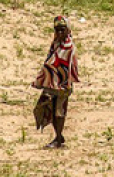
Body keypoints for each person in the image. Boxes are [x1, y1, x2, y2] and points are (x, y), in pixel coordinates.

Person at [33, 15, 81, 149]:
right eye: (57, 30)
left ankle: (58, 139)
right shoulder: (55, 45)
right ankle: (58, 136)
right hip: (51, 83)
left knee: (59, 112)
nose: (59, 33)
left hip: (63, 86)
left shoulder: (69, 48)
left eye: (62, 30)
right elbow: (49, 63)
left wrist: (65, 84)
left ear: (68, 30)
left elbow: (70, 68)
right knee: (49, 109)